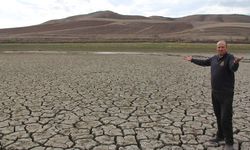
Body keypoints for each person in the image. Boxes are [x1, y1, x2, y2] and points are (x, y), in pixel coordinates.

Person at [184, 40, 243, 150]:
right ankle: (220, 136)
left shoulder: (230, 58)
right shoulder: (214, 59)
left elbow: (233, 68)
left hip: (226, 94)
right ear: (217, 48)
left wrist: (236, 63)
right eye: (219, 47)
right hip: (215, 93)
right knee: (218, 116)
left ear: (226, 48)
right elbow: (204, 62)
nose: (220, 49)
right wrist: (192, 60)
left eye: (222, 47)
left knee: (226, 118)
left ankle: (229, 143)